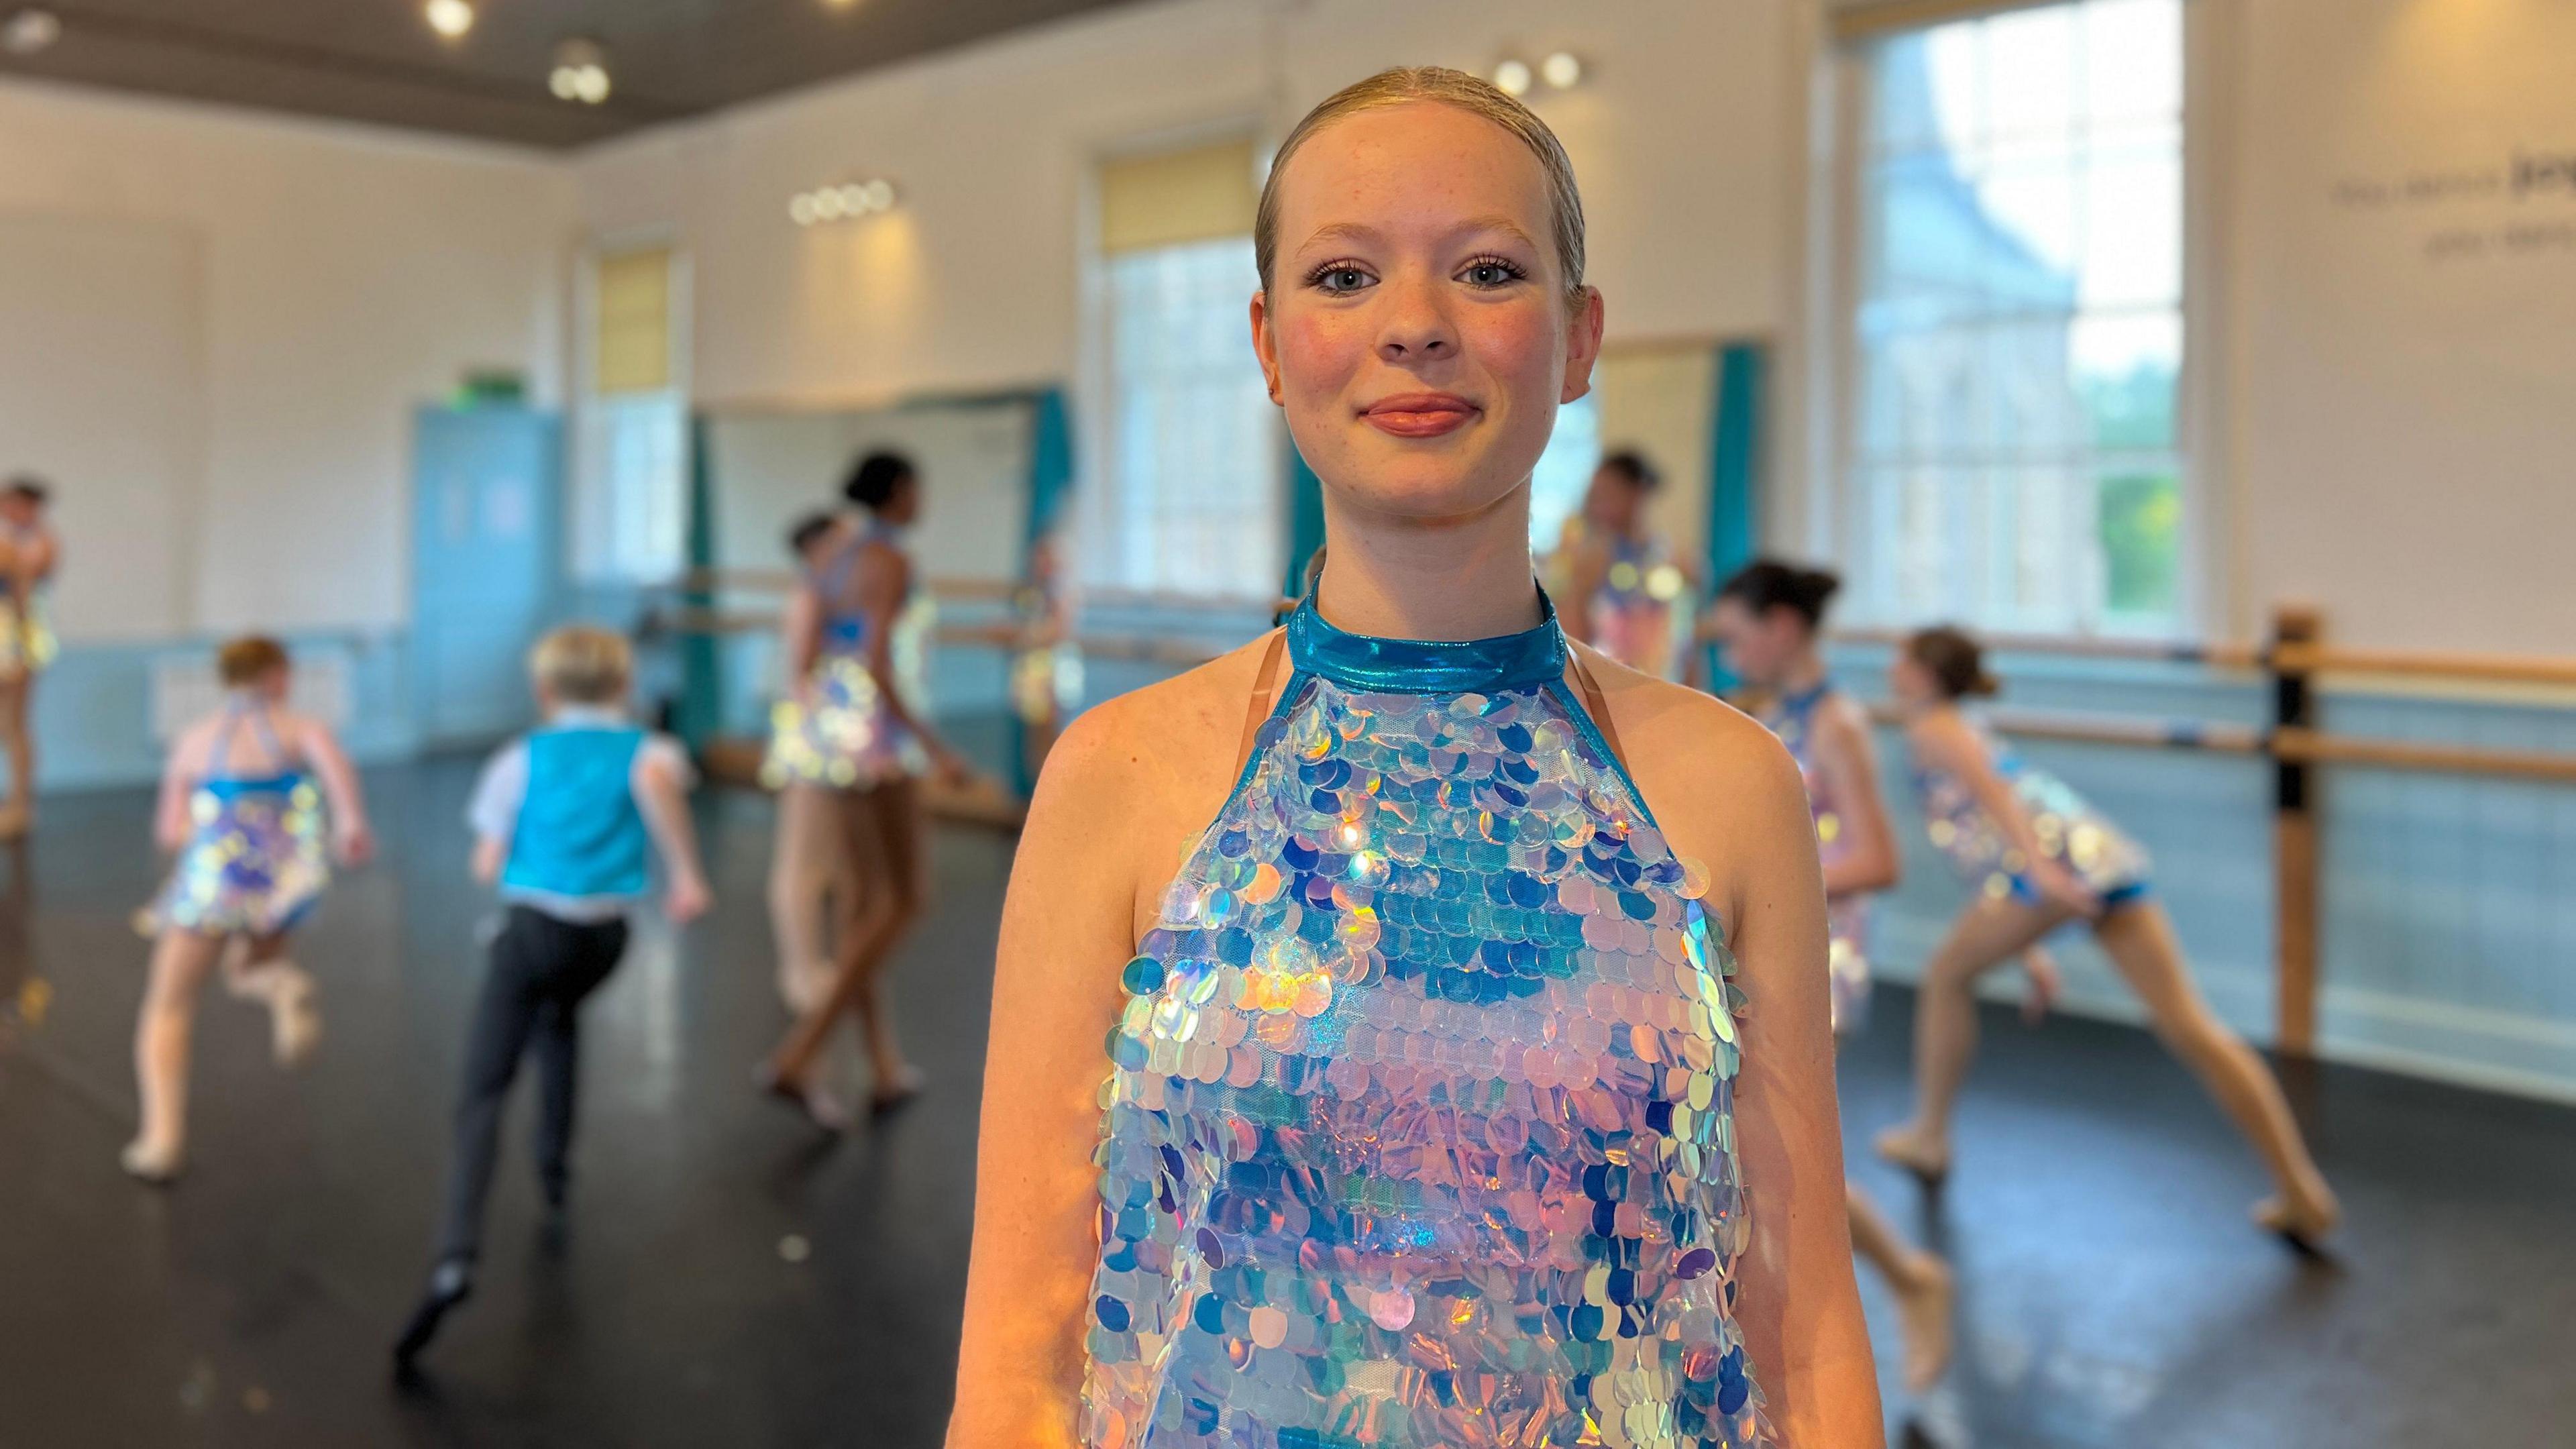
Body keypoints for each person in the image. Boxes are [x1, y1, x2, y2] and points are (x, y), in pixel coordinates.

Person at [949, 66, 1880, 1448]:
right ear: (1270, 346)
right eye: (1343, 276)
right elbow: (1023, 1333)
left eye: (1489, 271)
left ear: (1577, 339)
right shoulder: (1121, 775)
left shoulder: (1731, 785)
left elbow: (1798, 1324)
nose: (1415, 329)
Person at [1710, 560, 2063, 1394]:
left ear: (1783, 630)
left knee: (1771, 1159)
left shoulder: (1837, 723)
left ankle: (1902, 1286)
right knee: (1749, 1156)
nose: (1727, 655)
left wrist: (1762, 875)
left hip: (1817, 955)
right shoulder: (1773, 713)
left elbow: (1878, 858)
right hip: (1761, 945)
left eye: (1735, 637)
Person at [1874, 625, 2341, 1247]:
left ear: (1924, 675)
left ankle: (1930, 1136)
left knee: (1944, 977)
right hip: (2101, 858)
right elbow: (1981, 836)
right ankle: (2300, 1188)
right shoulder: (1963, 719)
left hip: (2049, 869)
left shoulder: (1933, 727)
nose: (1891, 667)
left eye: (1901, 658)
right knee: (2191, 1025)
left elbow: (1996, 801)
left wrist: (2042, 880)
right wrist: (2031, 942)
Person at [394, 626, 710, 1365]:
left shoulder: (519, 759)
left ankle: (456, 1255)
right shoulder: (652, 753)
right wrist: (687, 876)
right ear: (624, 686)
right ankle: (555, 1176)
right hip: (606, 941)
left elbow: (485, 860)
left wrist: (512, 848)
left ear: (544, 692)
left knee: (481, 1092)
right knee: (560, 1024)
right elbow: (662, 792)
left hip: (533, 931)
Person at [758, 451, 970, 1128]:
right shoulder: (888, 559)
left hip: (830, 733)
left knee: (863, 907)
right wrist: (933, 745)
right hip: (875, 743)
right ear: (900, 492)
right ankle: (799, 1053)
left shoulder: (832, 555)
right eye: (917, 487)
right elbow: (879, 660)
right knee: (904, 898)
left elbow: (808, 653)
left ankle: (881, 1067)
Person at [123, 636, 374, 1183]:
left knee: (167, 1006)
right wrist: (351, 824)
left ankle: (162, 1139)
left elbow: (169, 830)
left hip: (215, 883)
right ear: (280, 675)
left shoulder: (196, 739)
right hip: (283, 884)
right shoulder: (301, 729)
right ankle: (283, 986)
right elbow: (339, 776)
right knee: (251, 969)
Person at [763, 511, 858, 1017]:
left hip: (839, 741)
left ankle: (823, 962)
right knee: (800, 859)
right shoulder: (811, 597)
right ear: (818, 548)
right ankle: (798, 969)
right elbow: (803, 673)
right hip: (813, 741)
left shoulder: (835, 596)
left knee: (833, 861)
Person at [1545, 450, 1691, 680]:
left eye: (1607, 494)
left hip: (1661, 683)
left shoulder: (1669, 560)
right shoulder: (1583, 558)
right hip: (1605, 686)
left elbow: (1685, 644)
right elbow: (1568, 642)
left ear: (1637, 493)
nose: (1596, 505)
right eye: (1594, 495)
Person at [0, 476, 62, 837]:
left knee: (14, 724)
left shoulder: (39, 543)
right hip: (12, 637)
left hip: (15, 641)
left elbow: (25, 594)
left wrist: (21, 647)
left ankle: (20, 806)